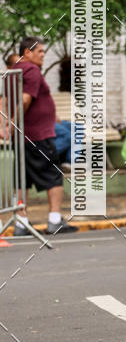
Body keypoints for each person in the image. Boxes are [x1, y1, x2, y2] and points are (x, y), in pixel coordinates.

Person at [13, 37, 78, 236]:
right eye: (39, 52)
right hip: (38, 136)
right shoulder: (31, 70)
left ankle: (21, 222)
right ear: (27, 52)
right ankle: (54, 220)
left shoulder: (16, 71)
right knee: (54, 174)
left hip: (26, 136)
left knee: (22, 180)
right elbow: (25, 100)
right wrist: (15, 120)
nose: (43, 55)